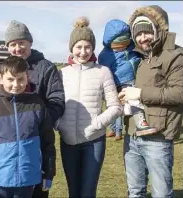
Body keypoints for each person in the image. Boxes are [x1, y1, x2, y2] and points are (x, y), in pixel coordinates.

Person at [119, 5, 183, 197]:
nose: (142, 38)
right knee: (135, 191)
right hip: (132, 135)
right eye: (137, 34)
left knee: (161, 193)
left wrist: (139, 94)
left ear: (158, 29)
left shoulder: (176, 55)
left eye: (147, 32)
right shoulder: (138, 57)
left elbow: (179, 93)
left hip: (159, 137)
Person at [55, 17, 122, 197]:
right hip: (68, 141)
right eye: (79, 47)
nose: (83, 52)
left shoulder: (103, 72)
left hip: (94, 141)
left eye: (87, 47)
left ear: (93, 48)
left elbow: (115, 107)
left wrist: (96, 125)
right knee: (73, 192)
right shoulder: (62, 74)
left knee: (87, 192)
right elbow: (53, 104)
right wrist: (60, 125)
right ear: (71, 48)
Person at [0, 56, 56, 198]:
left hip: (28, 178)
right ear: (1, 78)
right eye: (10, 79)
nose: (16, 84)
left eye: (20, 79)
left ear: (28, 77)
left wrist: (48, 173)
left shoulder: (36, 104)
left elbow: (48, 143)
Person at [4, 20, 64, 198]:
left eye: (21, 42)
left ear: (30, 42)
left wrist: (40, 124)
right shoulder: (5, 69)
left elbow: (57, 100)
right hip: (9, 143)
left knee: (37, 190)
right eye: (13, 44)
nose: (18, 48)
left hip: (38, 141)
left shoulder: (46, 67)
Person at [99, 19, 156, 139]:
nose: (121, 48)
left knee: (136, 102)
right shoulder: (105, 56)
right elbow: (104, 72)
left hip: (135, 79)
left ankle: (139, 124)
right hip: (120, 83)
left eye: (124, 45)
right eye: (117, 47)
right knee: (122, 106)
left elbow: (144, 53)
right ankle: (125, 127)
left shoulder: (132, 47)